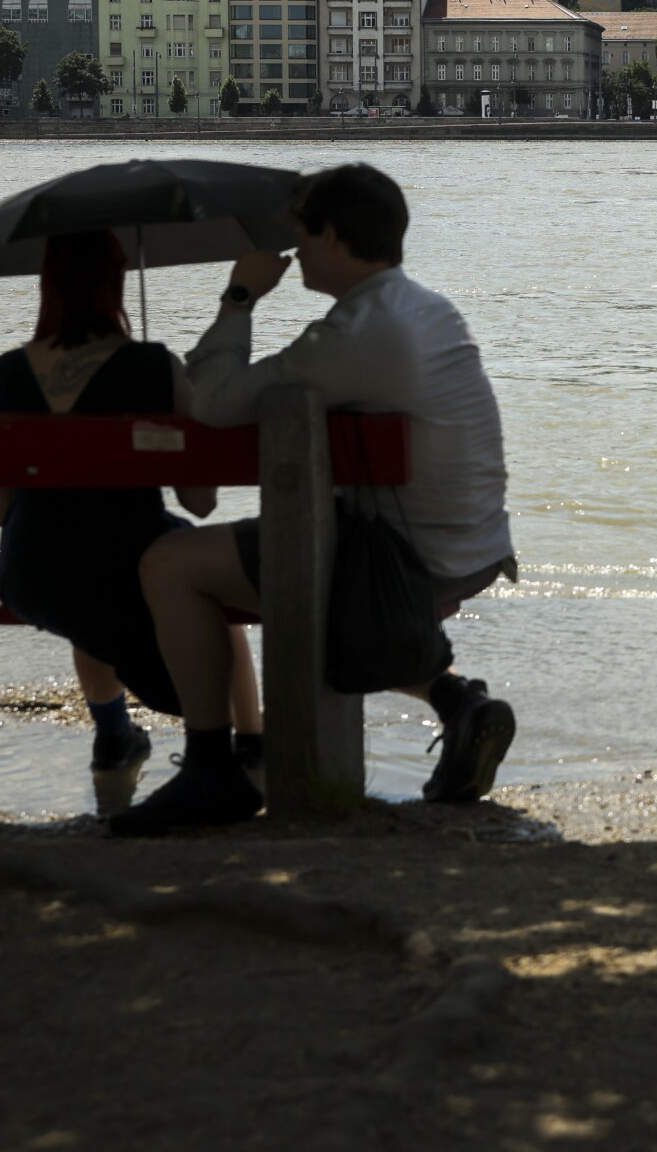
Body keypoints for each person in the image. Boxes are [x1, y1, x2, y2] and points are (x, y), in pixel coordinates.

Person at [111, 163, 517, 836]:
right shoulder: (424, 308)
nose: (294, 250)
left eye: (302, 234)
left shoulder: (354, 334)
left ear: (332, 236)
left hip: (404, 559)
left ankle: (214, 766)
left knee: (171, 562)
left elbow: (212, 405)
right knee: (260, 559)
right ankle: (451, 699)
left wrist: (240, 295)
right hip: (470, 543)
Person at [0, 231, 262, 779]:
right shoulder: (155, 366)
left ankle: (113, 737)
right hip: (128, 565)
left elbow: (0, 511)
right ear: (118, 283)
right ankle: (249, 742)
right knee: (201, 579)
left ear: (47, 286)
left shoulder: (3, 374)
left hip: (31, 575)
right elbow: (199, 504)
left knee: (85, 588)